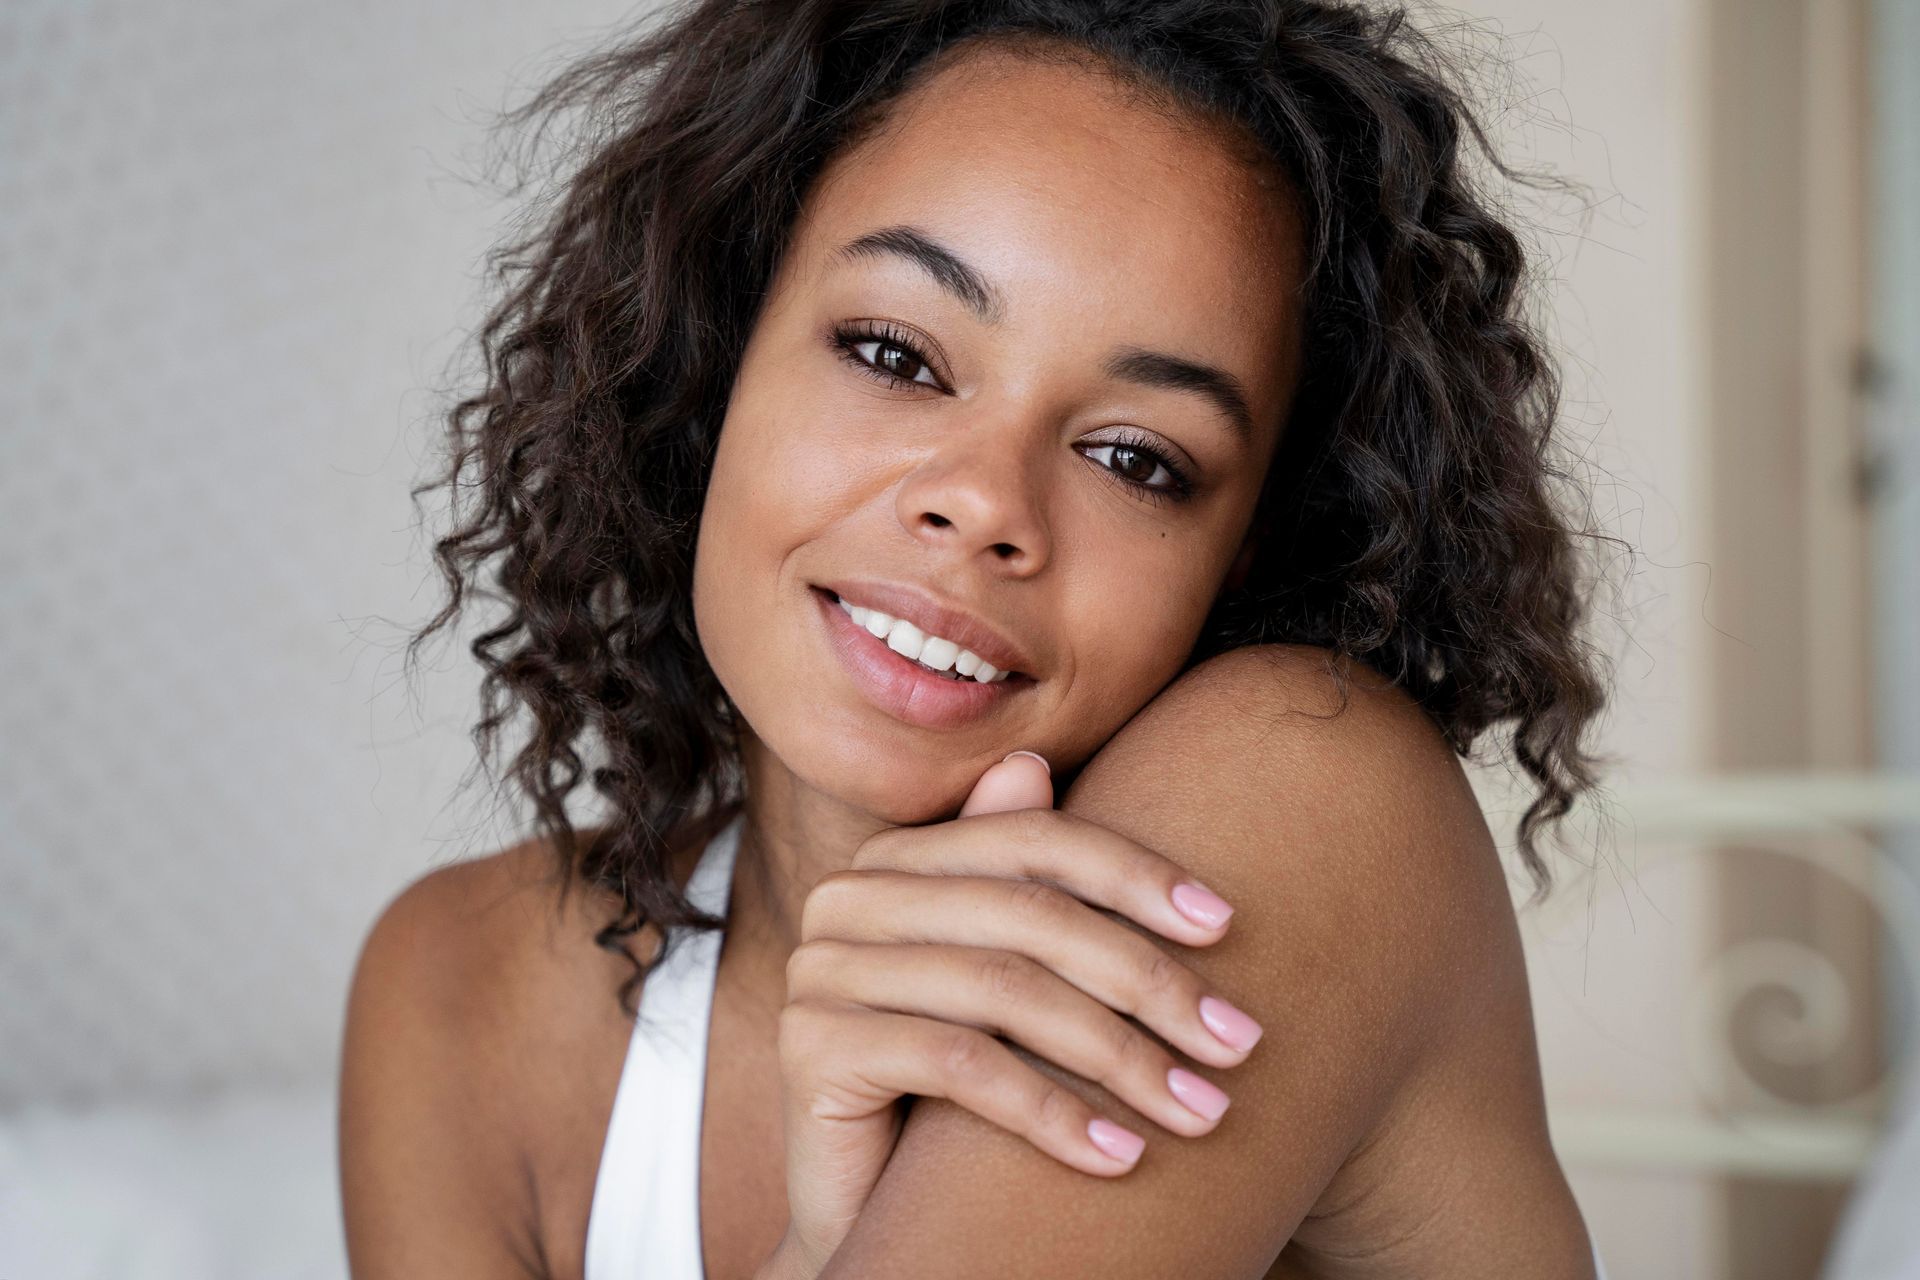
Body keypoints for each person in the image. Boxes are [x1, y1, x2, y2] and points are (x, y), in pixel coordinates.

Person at [339, 2, 1618, 1276]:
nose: (988, 502)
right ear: (718, 348)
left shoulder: (1307, 787)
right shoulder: (462, 986)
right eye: (895, 352)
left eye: (1136, 458)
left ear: (1250, 550)